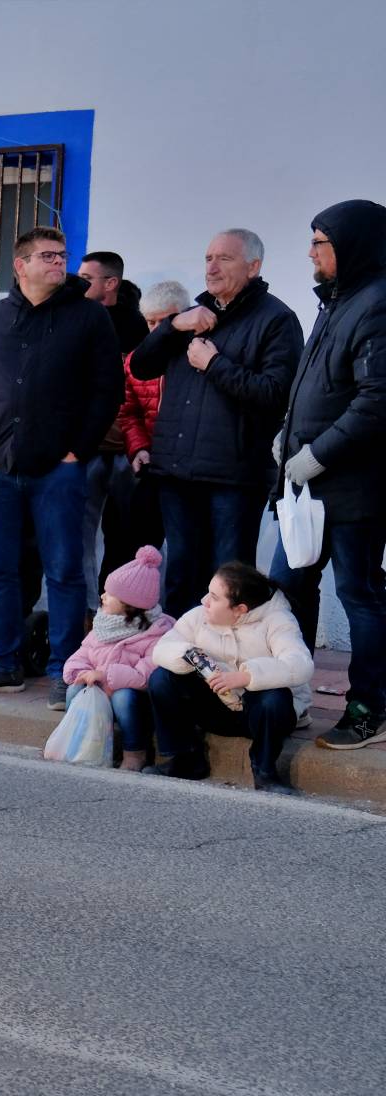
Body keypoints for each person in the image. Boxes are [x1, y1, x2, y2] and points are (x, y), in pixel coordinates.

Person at [0, 226, 123, 706]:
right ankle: (4, 663)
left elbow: (108, 391)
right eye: (48, 255)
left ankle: (65, 672)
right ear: (20, 265)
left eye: (62, 255)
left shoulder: (88, 318)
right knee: (0, 568)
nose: (58, 263)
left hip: (59, 469)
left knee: (64, 570)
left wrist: (78, 452)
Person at [130, 233, 304, 616]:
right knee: (180, 571)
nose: (211, 266)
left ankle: (222, 667)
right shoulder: (192, 317)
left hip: (234, 474)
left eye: (224, 258)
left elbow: (276, 394)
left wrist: (215, 365)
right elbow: (141, 366)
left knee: (228, 579)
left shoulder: (277, 320)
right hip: (177, 470)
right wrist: (173, 324)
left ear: (254, 267)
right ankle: (177, 667)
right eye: (208, 257)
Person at [269, 199, 386, 752]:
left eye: (321, 242)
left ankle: (368, 707)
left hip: (354, 487)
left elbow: (376, 398)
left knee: (360, 596)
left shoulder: (377, 303)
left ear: (353, 245)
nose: (311, 252)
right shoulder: (335, 302)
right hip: (307, 489)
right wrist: (287, 436)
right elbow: (317, 384)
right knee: (287, 589)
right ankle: (286, 697)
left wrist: (318, 452)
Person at [147, 561, 313, 792]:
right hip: (219, 708)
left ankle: (265, 772)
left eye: (214, 598)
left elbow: (301, 665)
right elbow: (161, 649)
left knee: (274, 697)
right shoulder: (198, 616)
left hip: (261, 716)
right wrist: (191, 656)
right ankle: (186, 759)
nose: (205, 601)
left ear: (240, 609)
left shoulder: (278, 620)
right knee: (162, 678)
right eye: (208, 592)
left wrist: (246, 677)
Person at [102, 280, 183, 600]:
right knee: (131, 546)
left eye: (165, 321)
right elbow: (129, 411)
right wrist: (138, 448)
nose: (157, 330)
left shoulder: (196, 358)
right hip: (150, 467)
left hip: (187, 469)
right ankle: (124, 614)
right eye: (151, 322)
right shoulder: (136, 361)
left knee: (185, 551)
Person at [60, 546, 174, 771]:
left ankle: (135, 751)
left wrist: (105, 676)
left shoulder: (157, 632)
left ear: (130, 605)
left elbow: (145, 676)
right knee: (74, 690)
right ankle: (82, 742)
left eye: (110, 594)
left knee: (123, 697)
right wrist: (78, 672)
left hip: (137, 699)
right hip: (101, 688)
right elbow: (81, 655)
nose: (102, 596)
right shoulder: (104, 624)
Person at [77, 251, 148, 353]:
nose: (79, 282)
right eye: (78, 277)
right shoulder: (71, 314)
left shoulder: (135, 323)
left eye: (86, 278)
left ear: (110, 283)